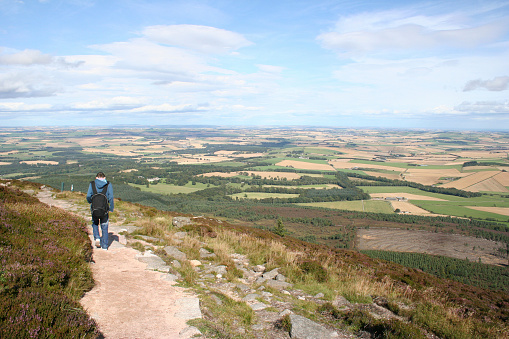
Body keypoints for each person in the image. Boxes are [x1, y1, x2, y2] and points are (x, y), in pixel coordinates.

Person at [86, 172, 114, 250]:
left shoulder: (92, 184)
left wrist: (90, 202)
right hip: (104, 209)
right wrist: (111, 208)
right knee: (104, 226)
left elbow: (88, 195)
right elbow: (111, 197)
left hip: (94, 208)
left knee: (95, 223)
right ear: (104, 177)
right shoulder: (108, 184)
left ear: (96, 177)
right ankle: (105, 246)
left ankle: (97, 237)